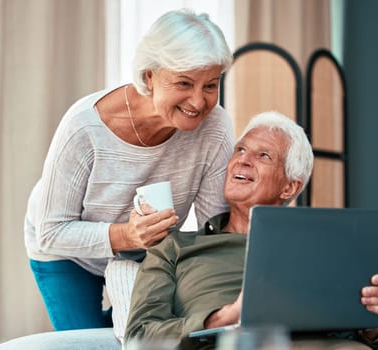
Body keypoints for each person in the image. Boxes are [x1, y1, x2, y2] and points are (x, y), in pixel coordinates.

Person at [124, 111, 378, 350]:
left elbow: (358, 340)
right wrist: (225, 317)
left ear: (290, 187)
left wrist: (376, 318)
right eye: (240, 149)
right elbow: (140, 335)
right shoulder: (175, 247)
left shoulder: (324, 249)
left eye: (264, 156)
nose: (243, 160)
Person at [24, 8, 234, 331]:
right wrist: (127, 234)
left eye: (210, 85)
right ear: (150, 76)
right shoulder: (84, 128)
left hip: (149, 252)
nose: (198, 101)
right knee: (90, 339)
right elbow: (51, 231)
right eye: (184, 82)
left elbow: (213, 232)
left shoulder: (215, 126)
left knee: (158, 331)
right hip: (67, 252)